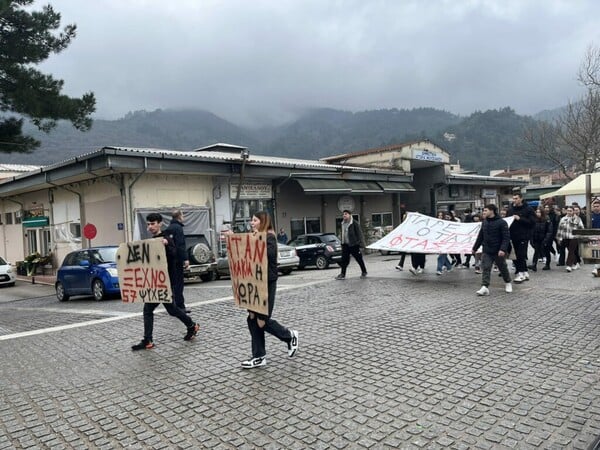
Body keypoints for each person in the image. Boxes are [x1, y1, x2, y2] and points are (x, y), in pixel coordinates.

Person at [131, 213, 199, 351]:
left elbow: (174, 256)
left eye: (153, 223)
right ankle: (148, 339)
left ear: (160, 223)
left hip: (165, 282)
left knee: (172, 309)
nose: (150, 226)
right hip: (155, 282)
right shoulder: (150, 242)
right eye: (148, 224)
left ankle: (191, 325)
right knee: (149, 309)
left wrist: (167, 245)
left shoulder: (166, 238)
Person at [240, 211, 298, 368]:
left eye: (255, 220)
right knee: (252, 317)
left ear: (262, 221)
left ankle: (289, 336)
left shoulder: (270, 236)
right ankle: (259, 356)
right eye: (252, 220)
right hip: (254, 282)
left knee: (261, 321)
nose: (252, 223)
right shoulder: (255, 236)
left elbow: (270, 255)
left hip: (267, 283)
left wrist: (259, 238)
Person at [471, 204, 512, 296]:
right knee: (486, 267)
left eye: (485, 210)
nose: (483, 212)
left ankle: (508, 282)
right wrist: (475, 248)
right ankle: (484, 287)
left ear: (492, 211)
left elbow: (506, 238)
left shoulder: (502, 222)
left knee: (502, 267)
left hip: (498, 251)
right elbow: (480, 236)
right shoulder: (485, 222)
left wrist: (502, 249)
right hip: (487, 250)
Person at [506, 192, 535, 283]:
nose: (514, 200)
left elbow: (532, 222)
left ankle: (520, 273)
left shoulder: (528, 209)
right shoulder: (510, 209)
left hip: (524, 235)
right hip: (513, 235)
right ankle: (525, 272)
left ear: (521, 198)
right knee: (515, 255)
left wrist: (520, 219)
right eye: (513, 198)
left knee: (521, 255)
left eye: (516, 198)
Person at [165, 209, 190, 312]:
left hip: (170, 259)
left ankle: (174, 304)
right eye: (183, 215)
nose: (183, 217)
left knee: (173, 283)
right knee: (179, 283)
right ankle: (180, 306)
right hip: (177, 260)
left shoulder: (168, 228)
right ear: (179, 216)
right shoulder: (178, 228)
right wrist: (185, 259)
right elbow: (180, 245)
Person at [335, 209, 368, 280]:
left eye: (346, 214)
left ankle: (364, 271)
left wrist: (362, 245)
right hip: (345, 245)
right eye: (343, 214)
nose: (344, 215)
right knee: (344, 260)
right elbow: (342, 234)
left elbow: (360, 234)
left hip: (354, 245)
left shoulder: (354, 223)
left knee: (359, 259)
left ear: (350, 215)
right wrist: (342, 243)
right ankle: (342, 274)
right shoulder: (342, 223)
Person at [556, 205, 584, 272]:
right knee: (571, 251)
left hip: (574, 237)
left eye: (570, 211)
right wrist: (559, 238)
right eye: (568, 211)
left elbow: (581, 228)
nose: (569, 212)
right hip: (565, 237)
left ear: (573, 211)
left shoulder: (577, 219)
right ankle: (576, 263)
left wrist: (580, 236)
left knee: (571, 251)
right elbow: (560, 229)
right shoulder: (563, 219)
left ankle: (569, 265)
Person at [591, 198, 600, 277]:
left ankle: (597, 269)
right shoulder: (590, 216)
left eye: (597, 206)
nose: (596, 207)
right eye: (595, 206)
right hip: (594, 237)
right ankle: (596, 268)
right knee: (596, 253)